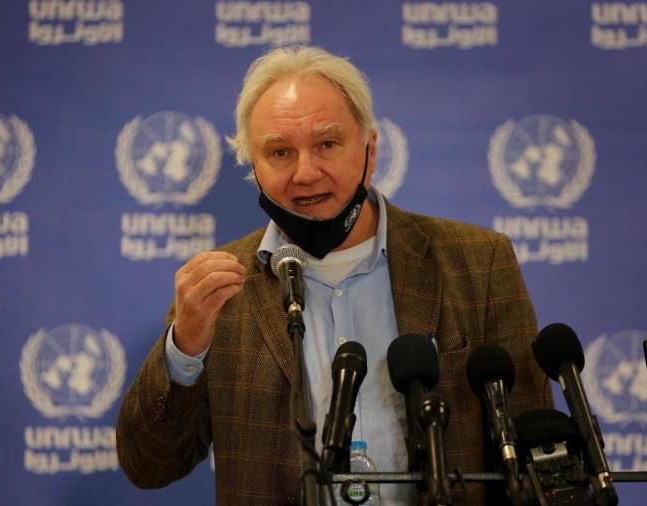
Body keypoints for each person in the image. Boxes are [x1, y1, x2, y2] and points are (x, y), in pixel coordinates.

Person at [117, 45, 552, 505]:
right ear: (254, 167)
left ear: (370, 149)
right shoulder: (220, 287)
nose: (306, 173)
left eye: (327, 144)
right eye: (280, 152)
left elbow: (536, 457)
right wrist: (185, 348)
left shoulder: (476, 261)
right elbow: (149, 465)